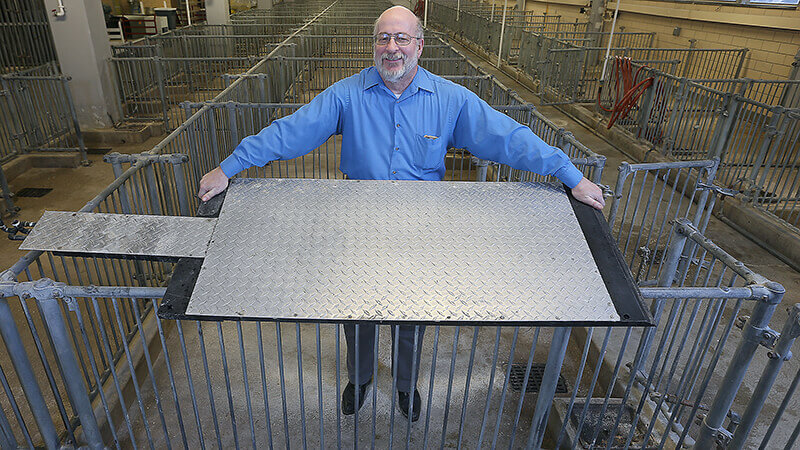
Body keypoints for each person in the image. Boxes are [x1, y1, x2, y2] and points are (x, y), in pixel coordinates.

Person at [198, 5, 605, 423]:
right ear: (374, 45)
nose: (391, 48)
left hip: (420, 231)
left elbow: (507, 136)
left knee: (413, 313)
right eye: (383, 38)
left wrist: (569, 174)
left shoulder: (449, 100)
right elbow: (293, 130)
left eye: (401, 39)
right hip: (358, 226)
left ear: (420, 46)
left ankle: (406, 385)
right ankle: (360, 378)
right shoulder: (346, 95)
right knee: (355, 311)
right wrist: (229, 166)